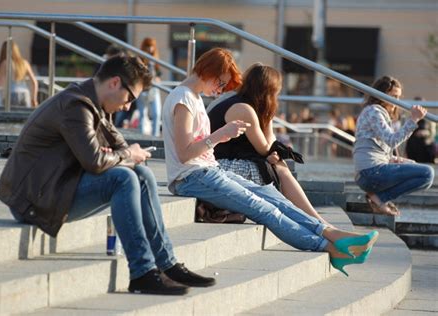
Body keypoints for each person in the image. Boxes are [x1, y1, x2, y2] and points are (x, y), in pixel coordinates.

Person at [0, 56, 215, 296]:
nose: (128, 106)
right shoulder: (75, 105)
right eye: (130, 97)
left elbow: (120, 147)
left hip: (57, 187)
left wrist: (125, 154)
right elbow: (96, 161)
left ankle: (167, 264)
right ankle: (142, 272)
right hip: (33, 201)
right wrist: (126, 154)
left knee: (141, 173)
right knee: (123, 178)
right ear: (114, 83)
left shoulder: (95, 103)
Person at [162, 48, 379, 277]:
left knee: (271, 195)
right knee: (263, 208)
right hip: (190, 177)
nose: (219, 90)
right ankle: (330, 248)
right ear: (209, 72)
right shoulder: (183, 98)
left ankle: (331, 233)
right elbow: (184, 153)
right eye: (220, 83)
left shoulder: (192, 97)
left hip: (208, 170)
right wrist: (221, 135)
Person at [207, 63, 330, 226]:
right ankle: (317, 221)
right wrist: (269, 114)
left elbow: (268, 146)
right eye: (276, 93)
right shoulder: (243, 109)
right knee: (278, 168)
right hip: (218, 167)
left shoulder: (238, 101)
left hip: (220, 163)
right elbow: (264, 147)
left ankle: (312, 219)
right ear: (268, 91)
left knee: (278, 165)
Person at [353, 76, 434, 215]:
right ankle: (380, 199)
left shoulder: (377, 113)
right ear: (381, 95)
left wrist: (405, 162)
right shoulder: (374, 111)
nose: (396, 102)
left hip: (370, 172)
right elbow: (392, 140)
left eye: (398, 97)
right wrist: (413, 119)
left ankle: (380, 198)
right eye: (392, 97)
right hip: (370, 173)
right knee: (427, 173)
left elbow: (382, 153)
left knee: (425, 177)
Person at [0, 41, 38, 108]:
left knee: (10, 117)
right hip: (25, 93)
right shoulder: (24, 63)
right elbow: (34, 82)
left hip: (11, 93)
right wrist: (34, 99)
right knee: (24, 117)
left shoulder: (5, 63)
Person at [136, 37, 163, 136]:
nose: (150, 49)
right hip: (142, 89)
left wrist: (157, 79)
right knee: (142, 114)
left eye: (152, 46)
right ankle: (142, 136)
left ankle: (155, 136)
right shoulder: (139, 58)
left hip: (154, 89)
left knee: (157, 113)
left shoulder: (155, 58)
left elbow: (159, 73)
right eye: (148, 46)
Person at [406, 97, 436, 163]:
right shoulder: (410, 118)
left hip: (425, 146)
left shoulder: (429, 119)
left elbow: (432, 134)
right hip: (413, 145)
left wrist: (425, 133)